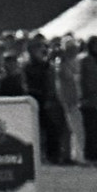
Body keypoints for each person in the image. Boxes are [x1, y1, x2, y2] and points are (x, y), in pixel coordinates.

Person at [23, 35, 64, 163]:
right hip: (33, 98)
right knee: (35, 129)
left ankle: (52, 155)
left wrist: (50, 98)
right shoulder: (28, 66)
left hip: (45, 98)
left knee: (51, 129)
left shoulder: (44, 65)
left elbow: (50, 82)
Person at [78, 35, 97, 164]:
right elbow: (81, 80)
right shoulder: (85, 60)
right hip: (88, 99)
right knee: (90, 128)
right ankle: (90, 154)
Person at [55, 37, 83, 164]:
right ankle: (73, 155)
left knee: (76, 129)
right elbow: (63, 82)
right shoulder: (61, 64)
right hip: (68, 101)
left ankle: (76, 154)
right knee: (73, 129)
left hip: (75, 100)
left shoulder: (75, 62)